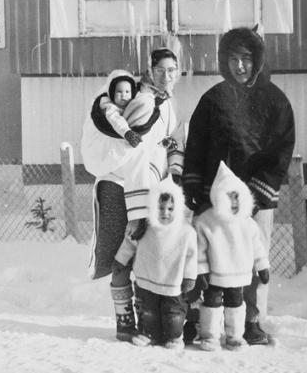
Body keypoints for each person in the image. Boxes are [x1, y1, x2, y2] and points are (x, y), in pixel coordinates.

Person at [183, 26, 295, 345]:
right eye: (233, 59)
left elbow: (280, 152)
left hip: (255, 200)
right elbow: (196, 146)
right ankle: (195, 319)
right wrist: (193, 185)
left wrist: (258, 194)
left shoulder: (275, 101)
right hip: (210, 199)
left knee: (252, 260)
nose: (240, 66)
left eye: (246, 58)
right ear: (224, 62)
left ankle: (252, 322)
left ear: (256, 60)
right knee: (203, 257)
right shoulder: (212, 99)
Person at [81, 49, 186, 342]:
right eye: (161, 70)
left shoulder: (166, 103)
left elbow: (168, 142)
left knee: (144, 256)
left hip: (148, 189)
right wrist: (139, 213)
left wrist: (174, 170)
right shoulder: (143, 101)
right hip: (122, 189)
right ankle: (125, 322)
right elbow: (136, 155)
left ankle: (146, 323)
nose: (167, 76)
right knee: (122, 256)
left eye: (172, 70)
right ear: (150, 71)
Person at [113, 176, 197, 349]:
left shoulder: (186, 232)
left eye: (170, 208)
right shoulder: (145, 226)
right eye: (160, 207)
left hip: (172, 283)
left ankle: (174, 336)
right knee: (148, 312)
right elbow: (130, 243)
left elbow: (191, 255)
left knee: (172, 315)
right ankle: (150, 334)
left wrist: (189, 277)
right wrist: (121, 260)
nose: (165, 213)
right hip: (147, 280)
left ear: (178, 207)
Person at [194, 161, 269, 351]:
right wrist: (201, 272)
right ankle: (210, 336)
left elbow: (257, 247)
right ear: (218, 197)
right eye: (229, 197)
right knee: (211, 304)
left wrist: (262, 266)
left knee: (236, 304)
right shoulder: (206, 221)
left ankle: (234, 336)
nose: (234, 202)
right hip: (214, 275)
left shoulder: (247, 222)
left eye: (237, 197)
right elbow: (200, 250)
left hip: (238, 276)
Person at [96, 72, 158, 148]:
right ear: (112, 93)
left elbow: (142, 95)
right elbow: (116, 120)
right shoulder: (110, 107)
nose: (123, 95)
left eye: (127, 92)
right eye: (119, 92)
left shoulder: (133, 100)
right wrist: (126, 132)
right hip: (116, 137)